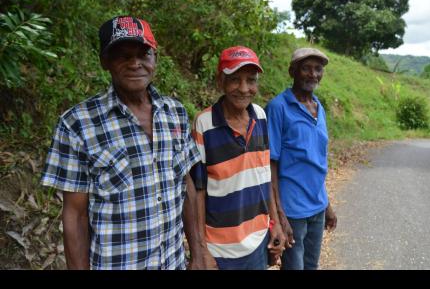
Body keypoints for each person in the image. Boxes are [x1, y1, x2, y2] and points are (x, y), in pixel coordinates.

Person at [41, 15, 205, 270]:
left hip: (173, 262)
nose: (135, 63)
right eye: (123, 55)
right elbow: (75, 215)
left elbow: (186, 186)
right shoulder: (77, 124)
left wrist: (198, 253)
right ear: (105, 61)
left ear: (155, 59)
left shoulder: (176, 113)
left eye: (144, 54)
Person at [191, 46, 285, 270]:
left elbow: (264, 177)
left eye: (251, 80)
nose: (244, 89)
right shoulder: (204, 124)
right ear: (220, 81)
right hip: (220, 249)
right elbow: (198, 191)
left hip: (258, 242)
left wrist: (275, 224)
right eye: (235, 79)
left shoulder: (260, 116)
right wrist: (202, 249)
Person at [266, 47, 337, 270]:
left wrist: (326, 204)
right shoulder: (278, 107)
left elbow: (317, 163)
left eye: (318, 69)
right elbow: (270, 165)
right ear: (292, 71)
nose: (313, 74)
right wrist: (279, 216)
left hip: (317, 206)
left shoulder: (319, 108)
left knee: (311, 266)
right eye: (306, 68)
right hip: (292, 210)